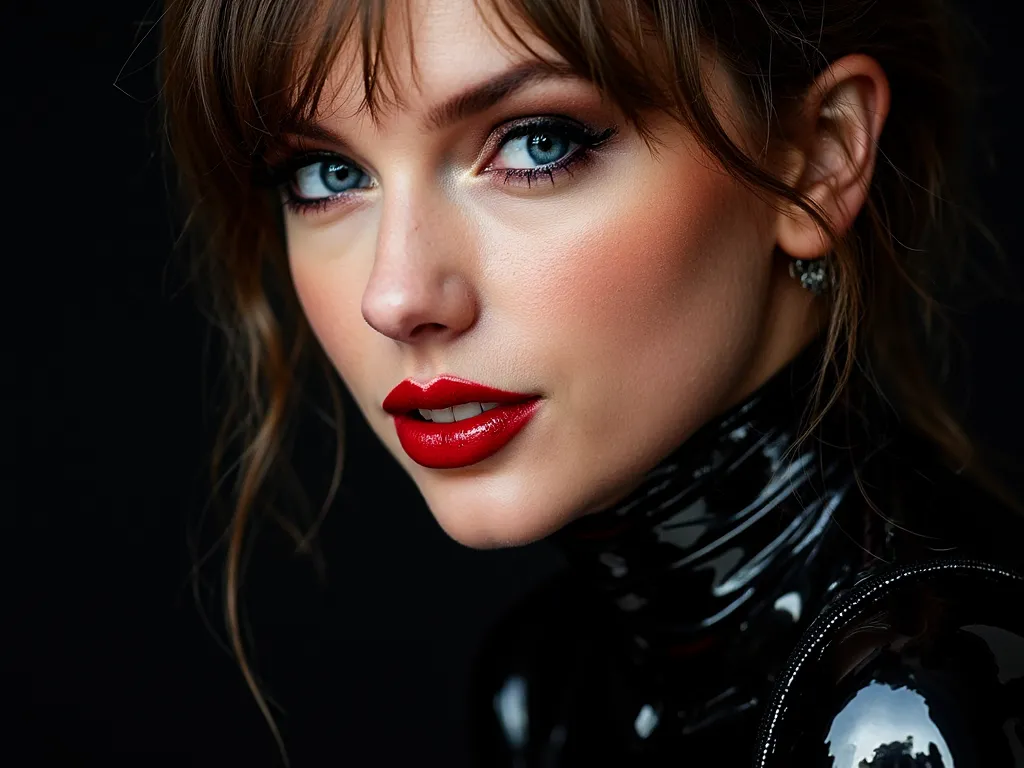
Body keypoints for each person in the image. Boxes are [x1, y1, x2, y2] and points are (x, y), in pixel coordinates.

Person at [158, 0, 1024, 764]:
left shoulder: (908, 710)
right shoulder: (542, 685)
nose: (397, 297)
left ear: (818, 157)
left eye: (539, 143)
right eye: (328, 173)